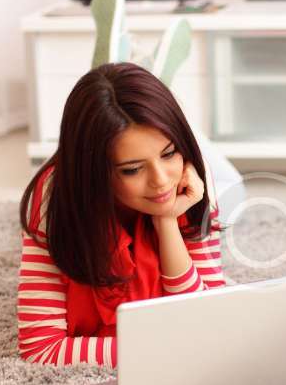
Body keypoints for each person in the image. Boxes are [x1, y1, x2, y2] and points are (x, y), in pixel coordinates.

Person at [16, 62, 227, 367]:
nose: (161, 180)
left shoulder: (190, 180)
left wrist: (167, 220)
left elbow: (208, 319)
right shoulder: (53, 202)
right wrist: (164, 349)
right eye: (132, 169)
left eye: (168, 153)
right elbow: (40, 349)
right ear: (95, 173)